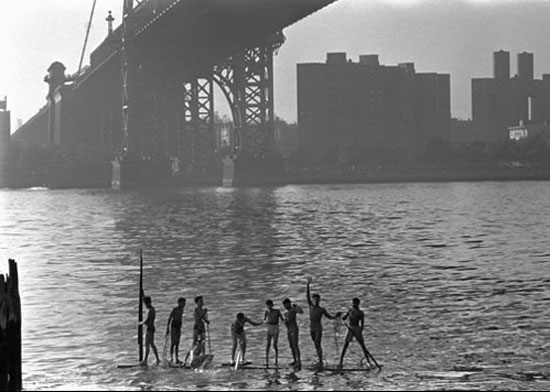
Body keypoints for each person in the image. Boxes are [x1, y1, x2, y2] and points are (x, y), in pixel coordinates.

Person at [306, 277, 341, 367]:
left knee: (318, 342)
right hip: (312, 327)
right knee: (315, 344)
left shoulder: (321, 309)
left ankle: (321, 361)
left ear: (319, 300)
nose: (315, 301)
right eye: (314, 299)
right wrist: (308, 284)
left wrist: (336, 316)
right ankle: (319, 358)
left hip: (318, 327)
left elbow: (329, 317)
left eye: (317, 299)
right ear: (312, 300)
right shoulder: (311, 306)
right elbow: (307, 295)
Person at [339, 297, 380, 369]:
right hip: (350, 328)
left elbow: (362, 323)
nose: (353, 304)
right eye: (352, 303)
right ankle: (340, 362)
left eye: (355, 303)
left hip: (356, 328)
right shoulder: (350, 310)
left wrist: (360, 331)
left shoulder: (360, 313)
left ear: (358, 304)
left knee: (362, 345)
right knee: (346, 344)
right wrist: (342, 316)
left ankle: (368, 361)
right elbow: (344, 318)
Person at [139, 295, 161, 366]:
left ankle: (145, 360)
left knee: (147, 345)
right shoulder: (152, 309)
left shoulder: (150, 310)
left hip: (149, 328)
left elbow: (147, 320)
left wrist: (141, 323)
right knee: (152, 344)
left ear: (147, 303)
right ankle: (157, 359)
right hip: (152, 328)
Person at [282, 298, 303, 368]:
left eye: (285, 305)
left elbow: (301, 311)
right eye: (284, 305)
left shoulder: (293, 310)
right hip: (289, 329)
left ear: (288, 303)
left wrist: (296, 306)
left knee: (295, 344)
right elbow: (286, 322)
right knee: (291, 345)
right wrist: (285, 322)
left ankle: (299, 361)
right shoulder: (286, 313)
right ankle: (294, 360)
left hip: (294, 328)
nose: (285, 306)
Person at [264, 299, 284, 368]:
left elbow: (282, 319)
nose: (269, 306)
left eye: (270, 305)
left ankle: (276, 360)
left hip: (275, 327)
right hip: (269, 327)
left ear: (272, 305)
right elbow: (264, 320)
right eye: (267, 305)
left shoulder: (277, 311)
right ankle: (266, 360)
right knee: (268, 344)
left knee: (275, 344)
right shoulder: (266, 312)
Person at [166, 297, 186, 364]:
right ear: (179, 303)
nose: (184, 304)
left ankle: (177, 358)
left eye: (184, 303)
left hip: (178, 327)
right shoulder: (175, 309)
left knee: (177, 343)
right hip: (174, 326)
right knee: (173, 343)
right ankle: (171, 358)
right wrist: (167, 328)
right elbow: (170, 318)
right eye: (183, 303)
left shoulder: (182, 309)